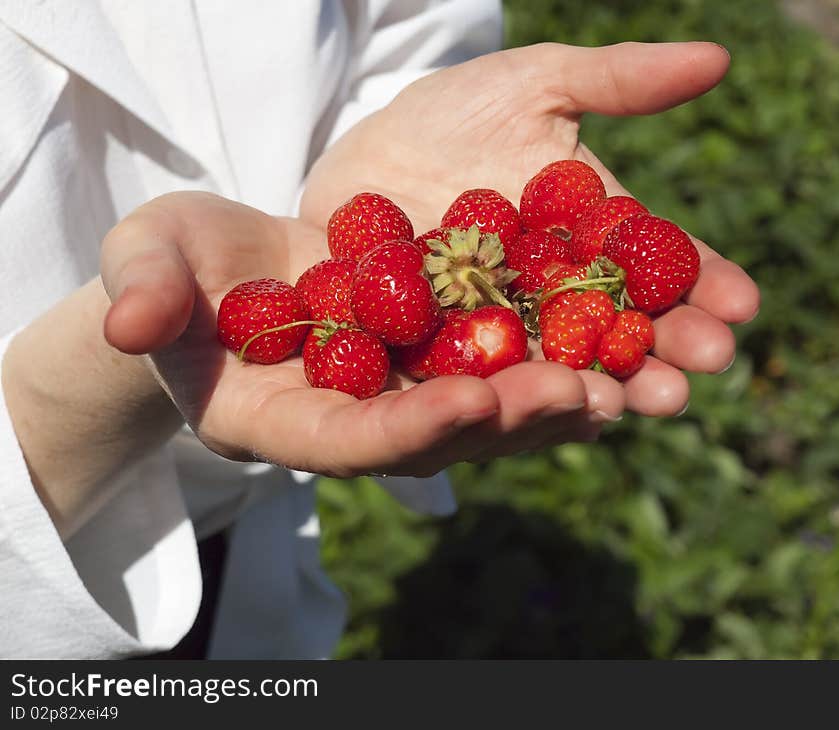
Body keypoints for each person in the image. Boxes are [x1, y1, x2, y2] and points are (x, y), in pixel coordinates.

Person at [0, 0, 759, 659]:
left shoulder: (454, 274)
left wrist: (400, 119)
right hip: (41, 574)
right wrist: (100, 380)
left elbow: (406, 26)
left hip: (256, 554)